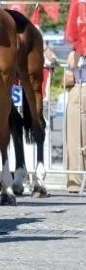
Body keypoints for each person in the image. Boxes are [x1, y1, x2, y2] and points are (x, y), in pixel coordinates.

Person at [64, 50, 84, 193]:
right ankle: (75, 182)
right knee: (74, 139)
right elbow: (67, 78)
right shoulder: (76, 51)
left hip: (80, 90)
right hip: (78, 89)